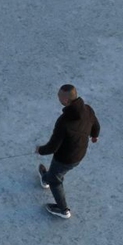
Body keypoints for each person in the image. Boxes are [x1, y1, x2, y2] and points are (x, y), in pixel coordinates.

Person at [35, 84, 100, 218]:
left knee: (56, 180)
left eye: (59, 95)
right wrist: (94, 135)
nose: (57, 96)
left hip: (65, 158)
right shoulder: (87, 109)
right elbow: (95, 123)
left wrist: (40, 150)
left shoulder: (64, 122)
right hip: (80, 153)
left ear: (65, 101)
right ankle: (46, 178)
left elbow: (53, 147)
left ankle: (63, 209)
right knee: (54, 174)